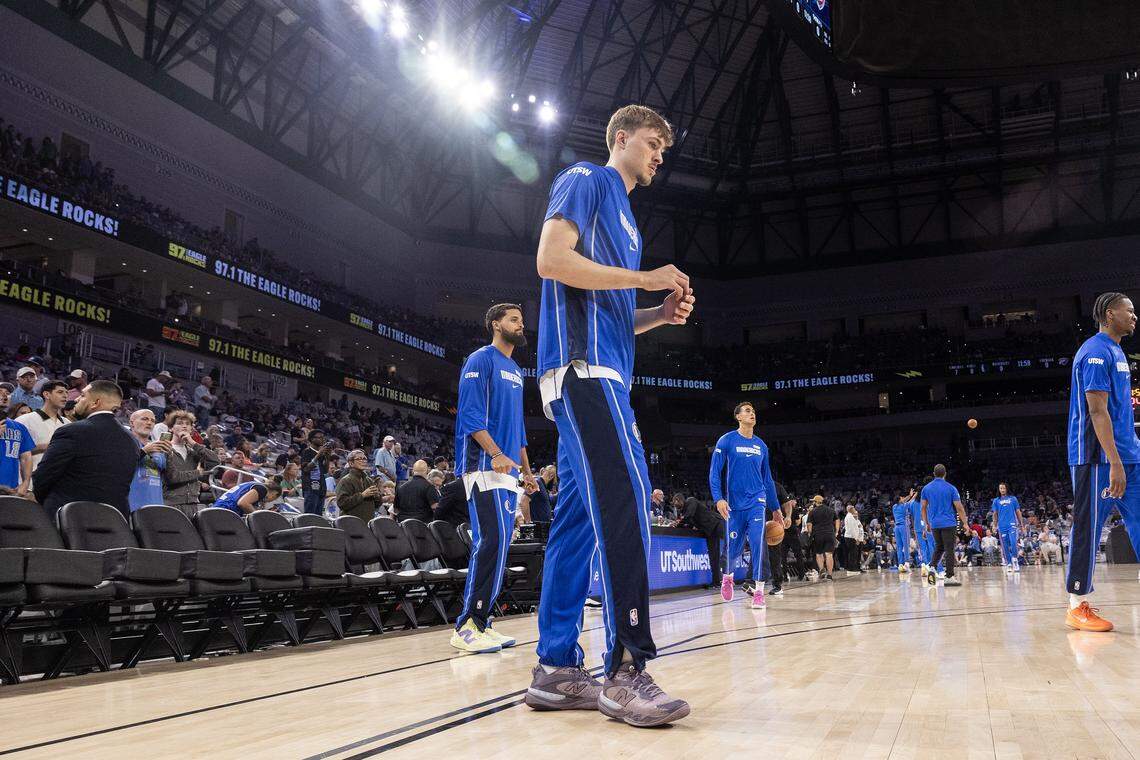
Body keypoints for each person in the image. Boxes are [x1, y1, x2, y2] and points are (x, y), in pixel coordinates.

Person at [526, 104, 693, 727]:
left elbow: (614, 308)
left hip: (606, 372)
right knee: (628, 492)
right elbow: (551, 260)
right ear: (620, 138)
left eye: (663, 150)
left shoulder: (628, 223)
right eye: (652, 143)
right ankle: (625, 667)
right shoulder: (586, 181)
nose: (658, 155)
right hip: (584, 371)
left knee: (575, 520)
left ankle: (553, 667)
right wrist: (647, 277)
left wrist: (656, 313)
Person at [450, 303, 536, 654]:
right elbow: (470, 416)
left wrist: (527, 471)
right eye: (514, 319)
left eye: (521, 319)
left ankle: (483, 622)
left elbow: (517, 430)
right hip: (485, 466)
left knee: (500, 545)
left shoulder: (515, 369)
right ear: (495, 324)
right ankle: (467, 625)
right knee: (491, 541)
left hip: (508, 471)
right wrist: (497, 454)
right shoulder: (480, 360)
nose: (521, 324)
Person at [1064, 292, 1140, 632]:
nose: (1135, 317)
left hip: (1127, 453)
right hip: (1097, 458)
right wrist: (1114, 462)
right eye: (1130, 311)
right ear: (1110, 315)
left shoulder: (1118, 351)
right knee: (1088, 528)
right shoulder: (1094, 351)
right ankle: (1077, 603)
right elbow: (1097, 410)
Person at [32, 381, 139, 519]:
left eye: (82, 396)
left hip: (69, 520)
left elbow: (43, 477)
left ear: (95, 402)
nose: (76, 399)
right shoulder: (132, 440)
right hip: (112, 524)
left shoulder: (71, 431)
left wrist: (48, 502)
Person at [708, 401, 779, 609]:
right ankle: (727, 578)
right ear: (738, 416)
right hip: (734, 505)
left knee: (758, 544)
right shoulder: (726, 441)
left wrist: (775, 508)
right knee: (733, 549)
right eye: (747, 411)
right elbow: (714, 472)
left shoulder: (761, 446)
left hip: (757, 502)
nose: (752, 413)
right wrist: (718, 498)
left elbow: (768, 480)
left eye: (754, 411)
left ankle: (759, 591)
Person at [920, 464, 971, 587]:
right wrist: (965, 523)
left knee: (939, 547)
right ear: (945, 473)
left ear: (934, 474)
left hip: (935, 524)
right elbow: (959, 507)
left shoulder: (926, 489)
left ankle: (931, 568)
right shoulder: (951, 488)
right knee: (949, 549)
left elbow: (923, 508)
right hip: (948, 523)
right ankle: (949, 577)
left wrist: (926, 523)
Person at [163, 410, 220, 517]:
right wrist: (198, 473)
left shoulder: (193, 451)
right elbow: (173, 478)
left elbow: (215, 461)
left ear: (191, 429)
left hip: (193, 503)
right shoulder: (165, 449)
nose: (184, 426)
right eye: (180, 423)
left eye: (187, 424)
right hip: (171, 503)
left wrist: (193, 443)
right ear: (171, 428)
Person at [15, 380, 69, 472]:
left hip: (58, 480)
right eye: (60, 392)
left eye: (66, 393)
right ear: (46, 394)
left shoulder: (68, 424)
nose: (65, 396)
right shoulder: (24, 420)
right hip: (29, 480)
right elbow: (12, 451)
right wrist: (43, 447)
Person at [676, 492, 725, 587]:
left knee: (717, 555)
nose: (675, 505)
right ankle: (716, 581)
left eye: (676, 502)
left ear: (679, 499)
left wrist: (678, 524)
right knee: (713, 556)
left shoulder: (691, 501)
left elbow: (689, 516)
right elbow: (690, 521)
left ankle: (720, 580)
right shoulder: (685, 510)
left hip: (715, 526)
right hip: (709, 531)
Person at [127, 409, 170, 511]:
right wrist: (144, 451)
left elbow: (169, 478)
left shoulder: (159, 449)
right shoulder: (124, 443)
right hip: (131, 506)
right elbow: (120, 466)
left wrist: (170, 455)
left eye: (152, 420)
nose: (149, 423)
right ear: (132, 423)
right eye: (144, 419)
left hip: (157, 505)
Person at [0, 388, 34, 497]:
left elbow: (26, 457)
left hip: (12, 489)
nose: (4, 395)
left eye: (7, 393)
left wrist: (25, 483)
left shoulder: (18, 427)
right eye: (0, 393)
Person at [335, 449, 382, 522]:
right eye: (359, 459)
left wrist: (377, 496)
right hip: (350, 523)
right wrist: (362, 495)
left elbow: (377, 505)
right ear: (351, 463)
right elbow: (342, 503)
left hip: (367, 523)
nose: (363, 461)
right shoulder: (345, 480)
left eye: (364, 458)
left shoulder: (369, 480)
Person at [989, 483, 1025, 574]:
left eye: (1004, 488)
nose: (1002, 490)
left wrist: (1022, 525)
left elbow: (1018, 511)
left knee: (1013, 543)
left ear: (1007, 489)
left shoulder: (1013, 499)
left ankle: (1015, 560)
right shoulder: (996, 501)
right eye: (1000, 488)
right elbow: (995, 514)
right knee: (1005, 546)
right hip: (1002, 526)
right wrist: (994, 525)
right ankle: (1009, 563)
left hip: (1012, 524)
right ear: (999, 489)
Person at [299, 430, 335, 515]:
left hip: (321, 488)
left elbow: (325, 471)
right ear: (311, 439)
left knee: (318, 517)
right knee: (310, 517)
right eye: (320, 437)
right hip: (310, 488)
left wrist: (327, 456)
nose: (322, 439)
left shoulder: (322, 454)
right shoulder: (306, 452)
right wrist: (318, 454)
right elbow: (306, 469)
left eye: (323, 437)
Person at [806, 494, 840, 580]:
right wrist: (836, 531)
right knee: (829, 554)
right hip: (830, 534)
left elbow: (809, 524)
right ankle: (830, 575)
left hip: (818, 535)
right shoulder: (831, 510)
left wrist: (810, 533)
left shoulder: (812, 512)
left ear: (816, 502)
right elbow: (837, 520)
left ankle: (822, 570)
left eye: (813, 501)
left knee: (819, 554)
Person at [214, 476, 283, 514]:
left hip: (219, 508)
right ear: (275, 494)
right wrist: (257, 515)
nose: (269, 501)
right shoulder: (262, 489)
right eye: (273, 499)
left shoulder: (255, 485)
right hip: (224, 511)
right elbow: (243, 503)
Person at [893, 489, 916, 573]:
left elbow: (905, 500)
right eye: (901, 498)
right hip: (903, 527)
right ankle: (906, 564)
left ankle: (900, 564)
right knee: (906, 545)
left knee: (899, 547)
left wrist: (909, 496)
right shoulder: (904, 506)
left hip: (896, 528)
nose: (903, 499)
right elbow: (911, 501)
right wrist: (914, 495)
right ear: (900, 500)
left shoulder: (894, 507)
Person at [842, 505, 866, 576]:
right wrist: (856, 539)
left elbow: (860, 528)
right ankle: (852, 568)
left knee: (857, 554)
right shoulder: (849, 517)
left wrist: (861, 538)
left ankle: (857, 567)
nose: (855, 510)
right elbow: (853, 529)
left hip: (857, 538)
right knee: (853, 553)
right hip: (851, 537)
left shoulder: (855, 518)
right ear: (850, 509)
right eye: (854, 509)